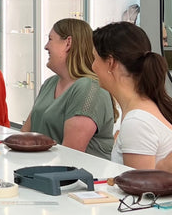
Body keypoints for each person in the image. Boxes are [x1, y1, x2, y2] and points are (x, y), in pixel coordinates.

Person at [21, 18, 115, 160]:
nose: (46, 46)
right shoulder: (50, 84)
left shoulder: (88, 88)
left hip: (75, 180)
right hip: (41, 173)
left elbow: (70, 155)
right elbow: (24, 137)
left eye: (50, 39)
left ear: (68, 43)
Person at [92, 21, 172, 169]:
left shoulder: (136, 122)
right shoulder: (148, 108)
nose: (93, 66)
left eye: (95, 58)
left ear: (110, 63)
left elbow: (143, 190)